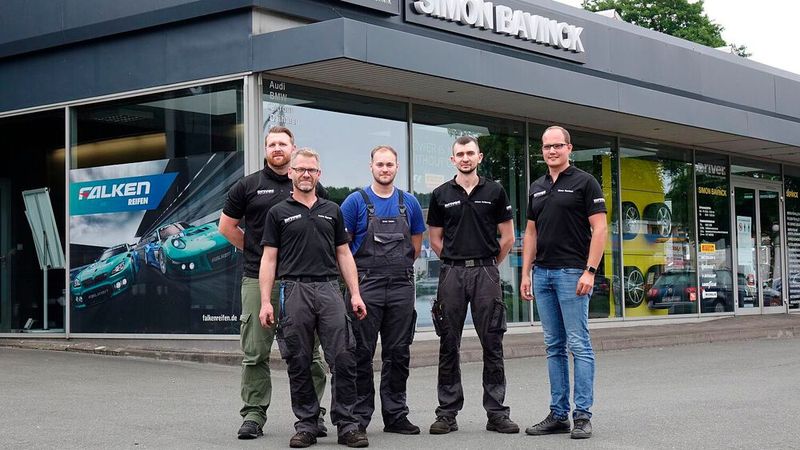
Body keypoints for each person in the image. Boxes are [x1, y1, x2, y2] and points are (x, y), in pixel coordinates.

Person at [219, 126, 328, 440]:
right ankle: (253, 414)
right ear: (266, 149)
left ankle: (313, 415)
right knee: (255, 352)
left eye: (282, 143)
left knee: (311, 353)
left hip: (303, 281)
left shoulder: (311, 185)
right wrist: (260, 250)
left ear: (293, 148)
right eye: (271, 144)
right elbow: (226, 227)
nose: (277, 148)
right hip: (258, 278)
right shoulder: (248, 186)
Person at [259, 148, 369, 448]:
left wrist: (355, 294)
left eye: (311, 170)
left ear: (319, 174)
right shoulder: (278, 212)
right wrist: (266, 301)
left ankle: (347, 425)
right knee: (299, 359)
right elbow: (269, 259)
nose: (306, 174)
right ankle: (307, 424)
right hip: (294, 290)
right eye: (300, 169)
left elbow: (344, 253)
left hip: (329, 289)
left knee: (343, 357)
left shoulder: (332, 210)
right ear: (291, 173)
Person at [426, 135, 518, 435]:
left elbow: (508, 237)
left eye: (470, 153)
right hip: (452, 274)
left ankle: (497, 413)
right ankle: (447, 413)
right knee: (447, 343)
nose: (465, 158)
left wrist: (488, 265)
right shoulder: (440, 194)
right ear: (453, 159)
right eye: (460, 154)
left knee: (492, 343)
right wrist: (455, 261)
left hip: (485, 273)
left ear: (479, 157)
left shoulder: (495, 191)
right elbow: (435, 240)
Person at [520, 125, 608, 440]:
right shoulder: (536, 187)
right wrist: (526, 272)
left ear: (569, 148)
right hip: (542, 274)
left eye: (558, 145)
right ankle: (558, 415)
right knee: (553, 346)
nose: (552, 151)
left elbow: (600, 229)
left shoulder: (585, 182)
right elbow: (531, 232)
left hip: (573, 274)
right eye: (547, 147)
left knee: (579, 344)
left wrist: (590, 270)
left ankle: (582, 415)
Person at [340, 145, 426, 435]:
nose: (385, 169)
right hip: (366, 285)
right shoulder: (355, 202)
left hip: (401, 285)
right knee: (360, 353)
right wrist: (356, 287)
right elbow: (343, 249)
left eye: (390, 164)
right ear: (371, 166)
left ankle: (396, 415)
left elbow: (415, 246)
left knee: (398, 353)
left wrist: (397, 269)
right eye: (380, 164)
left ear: (397, 167)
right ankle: (358, 418)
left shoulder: (409, 202)